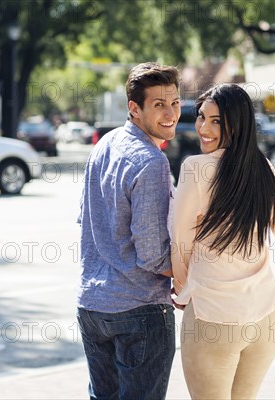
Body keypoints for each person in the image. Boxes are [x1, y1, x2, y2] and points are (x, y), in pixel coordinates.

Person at [171, 84, 275, 400]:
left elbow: (179, 243)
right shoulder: (263, 168)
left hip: (214, 316)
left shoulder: (196, 168)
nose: (204, 128)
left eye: (216, 121)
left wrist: (184, 290)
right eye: (201, 118)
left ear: (236, 125)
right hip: (266, 317)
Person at [76, 63, 181, 400]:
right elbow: (152, 253)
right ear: (134, 109)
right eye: (159, 105)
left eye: (175, 103)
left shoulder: (104, 145)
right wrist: (187, 280)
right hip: (140, 310)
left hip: (93, 307)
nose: (171, 114)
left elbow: (85, 220)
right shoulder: (152, 161)